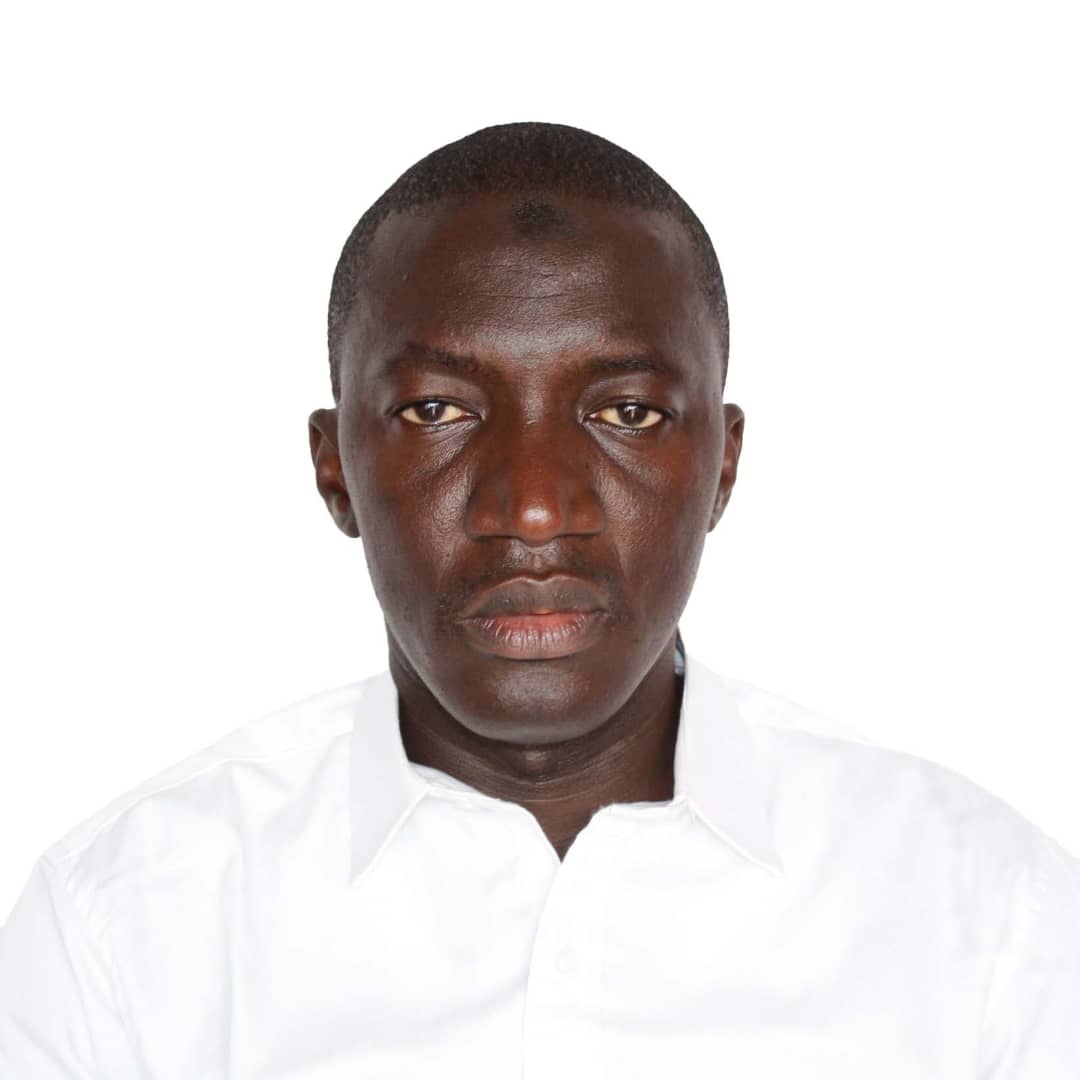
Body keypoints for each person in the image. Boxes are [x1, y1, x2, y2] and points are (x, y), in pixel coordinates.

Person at [1, 122, 1077, 1078]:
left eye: (627, 413)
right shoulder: (120, 933)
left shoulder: (991, 920)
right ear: (335, 471)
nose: (530, 508)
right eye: (435, 410)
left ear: (723, 466)